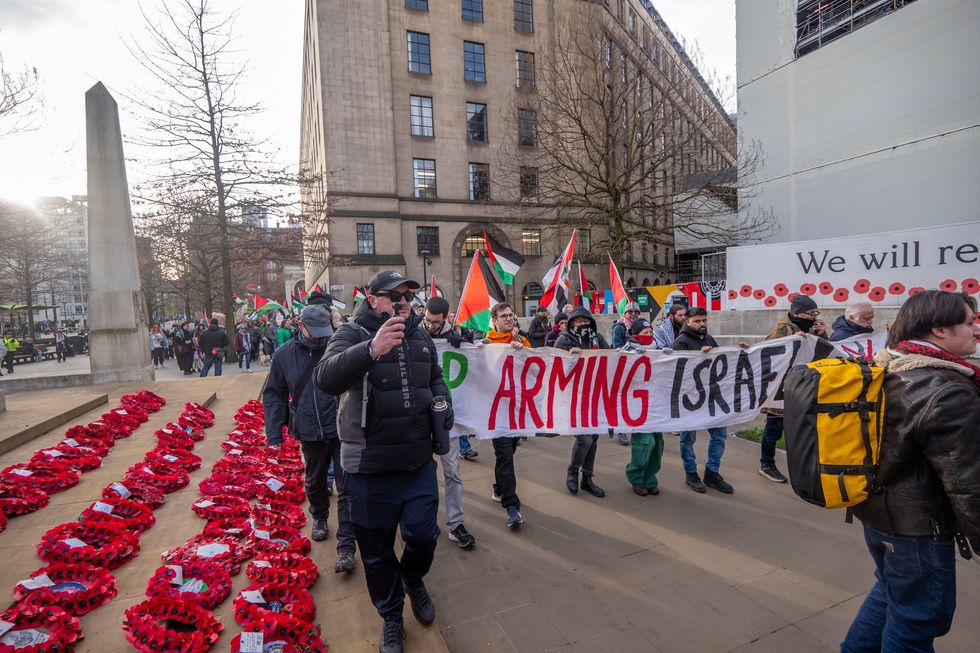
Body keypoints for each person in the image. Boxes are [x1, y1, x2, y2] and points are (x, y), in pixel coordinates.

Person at [315, 270, 449, 653]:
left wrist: (443, 403)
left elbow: (435, 379)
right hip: (368, 468)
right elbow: (325, 378)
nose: (404, 303)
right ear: (372, 299)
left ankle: (413, 579)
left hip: (417, 461)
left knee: (423, 537)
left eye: (409, 296)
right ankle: (391, 615)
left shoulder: (420, 334)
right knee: (375, 551)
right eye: (394, 296)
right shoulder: (353, 332)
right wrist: (371, 349)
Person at [841, 290, 979, 652]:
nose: (975, 330)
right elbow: (967, 483)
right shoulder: (946, 388)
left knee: (890, 596)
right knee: (914, 624)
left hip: (876, 515)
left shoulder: (886, 366)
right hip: (917, 531)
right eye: (968, 322)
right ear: (938, 329)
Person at [263, 304, 357, 574]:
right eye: (313, 331)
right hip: (308, 430)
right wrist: (274, 434)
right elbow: (274, 393)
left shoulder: (337, 347)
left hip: (340, 428)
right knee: (314, 482)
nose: (318, 337)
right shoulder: (283, 355)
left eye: (322, 331)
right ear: (300, 326)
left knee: (347, 486)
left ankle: (347, 545)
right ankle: (319, 516)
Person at [420, 296, 476, 549]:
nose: (430, 327)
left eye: (436, 324)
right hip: (419, 419)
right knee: (423, 475)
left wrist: (463, 341)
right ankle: (426, 521)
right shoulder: (414, 334)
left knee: (452, 473)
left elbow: (479, 356)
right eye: (427, 321)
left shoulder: (454, 336)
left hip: (446, 420)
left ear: (446, 319)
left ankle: (456, 523)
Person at [758, 295, 828, 483]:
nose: (814, 317)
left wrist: (822, 335)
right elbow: (770, 352)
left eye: (816, 313)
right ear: (797, 313)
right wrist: (791, 341)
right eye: (811, 313)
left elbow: (821, 352)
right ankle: (766, 464)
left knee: (801, 430)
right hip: (781, 387)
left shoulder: (809, 328)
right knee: (774, 428)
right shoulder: (783, 329)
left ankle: (803, 466)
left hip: (801, 386)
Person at [479, 302, 530, 529]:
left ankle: (500, 488)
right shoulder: (487, 343)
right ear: (495, 321)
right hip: (496, 411)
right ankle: (512, 506)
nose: (509, 319)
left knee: (510, 450)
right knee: (505, 456)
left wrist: (524, 352)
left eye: (511, 315)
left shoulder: (521, 342)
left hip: (518, 410)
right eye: (504, 316)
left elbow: (537, 368)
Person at [673, 308, 734, 494]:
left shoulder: (709, 339)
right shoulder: (680, 342)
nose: (702, 324)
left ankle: (712, 472)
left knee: (719, 435)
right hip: (690, 399)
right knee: (688, 438)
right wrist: (699, 356)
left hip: (712, 397)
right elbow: (678, 371)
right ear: (688, 321)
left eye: (704, 320)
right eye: (698, 321)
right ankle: (691, 473)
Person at [553, 306, 609, 498]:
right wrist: (570, 357)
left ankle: (587, 478)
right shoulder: (564, 339)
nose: (583, 323)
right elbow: (555, 366)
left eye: (586, 321)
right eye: (579, 321)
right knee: (584, 438)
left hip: (595, 394)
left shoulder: (597, 338)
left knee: (593, 438)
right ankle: (573, 470)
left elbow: (610, 359)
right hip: (573, 396)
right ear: (571, 323)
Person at [623, 320, 666, 496]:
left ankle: (650, 479)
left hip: (656, 403)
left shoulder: (659, 349)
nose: (649, 335)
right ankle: (636, 477)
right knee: (644, 444)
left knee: (658, 446)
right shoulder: (626, 350)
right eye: (644, 332)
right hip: (638, 405)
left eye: (650, 332)